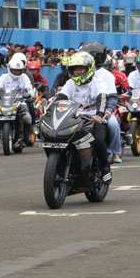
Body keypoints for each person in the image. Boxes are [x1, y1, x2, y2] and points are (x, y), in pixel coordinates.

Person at [53, 52, 114, 184]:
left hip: (93, 119)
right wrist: (50, 110)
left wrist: (99, 115)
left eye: (81, 68)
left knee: (98, 140)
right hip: (74, 118)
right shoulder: (70, 83)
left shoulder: (98, 82)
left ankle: (105, 167)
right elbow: (61, 98)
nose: (78, 71)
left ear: (89, 68)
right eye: (75, 69)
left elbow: (102, 98)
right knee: (58, 137)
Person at [79, 41, 124, 164]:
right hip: (82, 110)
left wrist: (108, 111)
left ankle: (115, 152)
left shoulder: (107, 75)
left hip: (103, 111)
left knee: (113, 125)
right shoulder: (80, 72)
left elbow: (112, 96)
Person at [0, 53, 34, 149]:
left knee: (28, 118)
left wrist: (31, 95)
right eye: (15, 70)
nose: (17, 73)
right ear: (10, 68)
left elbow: (29, 87)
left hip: (20, 102)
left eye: (19, 71)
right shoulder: (4, 77)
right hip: (4, 102)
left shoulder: (24, 77)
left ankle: (26, 135)